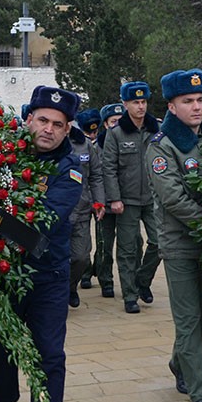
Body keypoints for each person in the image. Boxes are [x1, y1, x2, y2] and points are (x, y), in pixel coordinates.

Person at [0, 85, 83, 402]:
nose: (49, 129)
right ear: (28, 120)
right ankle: (3, 401)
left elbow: (44, 219)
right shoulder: (0, 158)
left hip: (48, 277)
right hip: (2, 276)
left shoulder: (69, 170)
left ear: (67, 128)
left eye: (58, 124)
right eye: (42, 120)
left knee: (49, 356)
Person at [146, 69, 202, 402]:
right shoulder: (161, 147)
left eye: (200, 100)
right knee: (189, 320)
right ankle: (201, 395)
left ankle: (180, 363)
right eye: (187, 101)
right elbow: (174, 199)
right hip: (179, 244)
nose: (196, 107)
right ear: (172, 106)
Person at [101, 82, 161, 313]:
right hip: (126, 200)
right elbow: (109, 169)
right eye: (135, 102)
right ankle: (130, 296)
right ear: (125, 104)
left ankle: (142, 281)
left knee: (160, 243)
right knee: (127, 249)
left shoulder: (156, 130)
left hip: (153, 198)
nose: (141, 106)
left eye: (144, 101)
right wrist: (114, 198)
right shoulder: (115, 134)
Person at [68, 110, 105, 307]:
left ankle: (71, 286)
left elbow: (96, 175)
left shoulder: (84, 144)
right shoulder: (46, 142)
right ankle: (56, 293)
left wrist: (98, 202)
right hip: (54, 213)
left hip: (81, 210)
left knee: (81, 257)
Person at [89, 103, 126, 296]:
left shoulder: (128, 140)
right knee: (104, 244)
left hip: (125, 201)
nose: (117, 125)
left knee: (132, 243)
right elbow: (94, 176)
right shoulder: (97, 147)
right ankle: (106, 280)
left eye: (120, 121)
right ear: (105, 124)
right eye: (113, 122)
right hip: (103, 203)